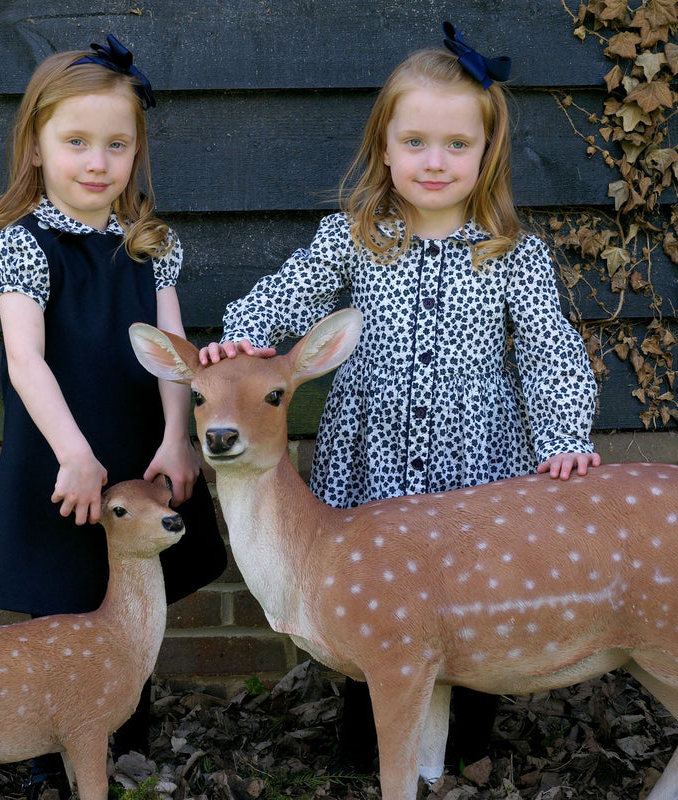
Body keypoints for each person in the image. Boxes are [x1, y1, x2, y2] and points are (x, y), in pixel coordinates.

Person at [200, 23, 600, 775]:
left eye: (457, 144)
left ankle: (464, 748)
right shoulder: (356, 236)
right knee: (370, 598)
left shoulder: (512, 253)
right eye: (415, 142)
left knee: (468, 594)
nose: (435, 161)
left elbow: (549, 352)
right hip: (371, 451)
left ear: (487, 152)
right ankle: (374, 745)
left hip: (475, 457)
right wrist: (243, 337)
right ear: (384, 148)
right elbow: (289, 293)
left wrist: (563, 438)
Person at [0, 35, 227, 799]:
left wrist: (177, 437)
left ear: (135, 152)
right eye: (75, 141)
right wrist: (74, 455)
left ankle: (126, 741)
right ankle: (49, 757)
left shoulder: (151, 246)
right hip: (62, 455)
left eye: (116, 144)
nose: (96, 161)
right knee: (61, 604)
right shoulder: (25, 245)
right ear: (36, 147)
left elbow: (172, 355)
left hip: (140, 450)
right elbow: (26, 361)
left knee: (133, 597)